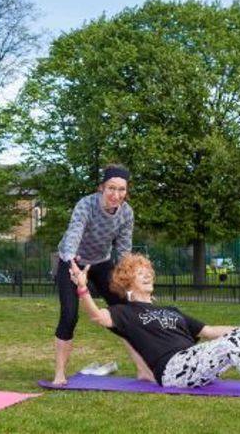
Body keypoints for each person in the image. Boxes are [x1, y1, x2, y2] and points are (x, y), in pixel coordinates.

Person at [69, 253, 240, 398]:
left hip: (196, 362)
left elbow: (208, 331)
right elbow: (97, 317)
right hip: (173, 371)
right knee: (230, 344)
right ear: (128, 282)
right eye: (141, 273)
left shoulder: (169, 310)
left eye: (149, 271)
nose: (148, 274)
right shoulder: (125, 313)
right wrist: (83, 289)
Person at [53, 163, 150, 385]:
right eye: (111, 189)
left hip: (101, 263)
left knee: (124, 314)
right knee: (69, 315)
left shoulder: (126, 213)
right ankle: (59, 373)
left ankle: (143, 369)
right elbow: (73, 235)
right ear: (102, 188)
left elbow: (124, 250)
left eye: (122, 190)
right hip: (72, 260)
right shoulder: (85, 205)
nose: (116, 195)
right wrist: (72, 264)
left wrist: (129, 281)